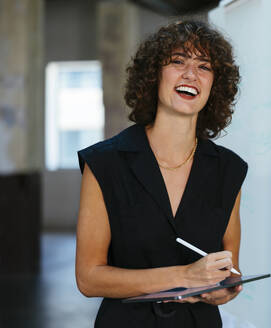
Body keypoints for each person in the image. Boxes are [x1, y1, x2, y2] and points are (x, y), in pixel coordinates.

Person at [75, 20, 247, 327]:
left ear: (215, 85)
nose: (190, 74)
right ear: (154, 75)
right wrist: (184, 276)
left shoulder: (230, 169)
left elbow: (228, 269)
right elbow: (88, 278)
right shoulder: (104, 163)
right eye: (178, 61)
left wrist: (224, 288)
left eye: (204, 66)